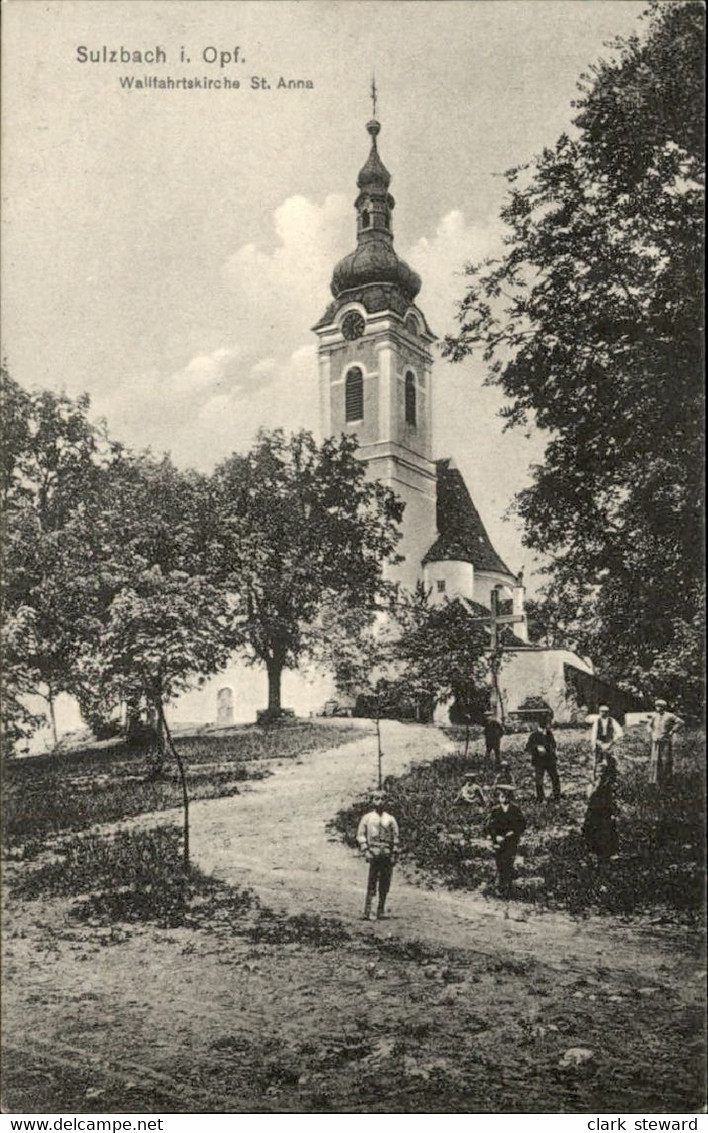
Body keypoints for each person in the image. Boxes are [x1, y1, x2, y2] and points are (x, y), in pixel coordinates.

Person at [356, 790, 400, 920]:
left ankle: (381, 910)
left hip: (386, 853)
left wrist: (394, 853)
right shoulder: (367, 818)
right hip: (374, 852)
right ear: (372, 801)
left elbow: (395, 837)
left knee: (385, 882)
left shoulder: (390, 819)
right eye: (376, 799)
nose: (379, 802)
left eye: (382, 799)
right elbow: (360, 834)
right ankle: (368, 910)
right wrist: (366, 850)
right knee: (372, 881)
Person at [485, 785, 527, 900]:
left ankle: (507, 888)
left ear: (510, 797)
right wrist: (495, 837)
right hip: (498, 841)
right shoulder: (495, 810)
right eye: (501, 796)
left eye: (506, 795)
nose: (503, 798)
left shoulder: (515, 809)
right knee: (499, 862)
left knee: (508, 861)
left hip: (511, 841)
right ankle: (499, 888)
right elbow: (489, 826)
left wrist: (513, 832)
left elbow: (522, 824)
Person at [582, 749, 619, 861]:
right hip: (597, 803)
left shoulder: (607, 783)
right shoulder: (594, 762)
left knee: (605, 823)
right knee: (593, 822)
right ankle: (594, 849)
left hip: (604, 801)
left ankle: (606, 850)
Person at [647, 699, 684, 787]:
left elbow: (681, 722)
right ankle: (655, 780)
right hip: (656, 741)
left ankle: (667, 782)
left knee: (666, 760)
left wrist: (672, 731)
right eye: (657, 706)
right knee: (655, 760)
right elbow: (648, 725)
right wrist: (652, 733)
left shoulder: (669, 716)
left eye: (660, 706)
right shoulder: (654, 716)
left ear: (664, 707)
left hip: (665, 741)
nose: (658, 708)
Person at [525, 715, 561, 802]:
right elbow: (528, 747)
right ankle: (540, 798)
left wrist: (550, 748)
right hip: (539, 761)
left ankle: (557, 796)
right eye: (548, 723)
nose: (550, 725)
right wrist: (537, 748)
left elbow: (554, 745)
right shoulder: (534, 735)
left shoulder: (549, 734)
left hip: (550, 760)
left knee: (555, 778)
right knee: (539, 780)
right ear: (543, 724)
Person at [590, 705, 623, 777]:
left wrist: (613, 741)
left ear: (608, 713)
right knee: (596, 761)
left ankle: (612, 776)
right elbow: (594, 734)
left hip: (609, 742)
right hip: (599, 742)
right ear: (599, 712)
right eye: (601, 712)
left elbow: (620, 732)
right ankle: (594, 777)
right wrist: (594, 745)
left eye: (605, 712)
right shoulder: (597, 721)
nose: (603, 713)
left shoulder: (612, 721)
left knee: (612, 759)